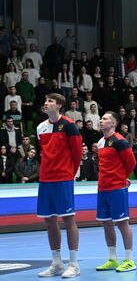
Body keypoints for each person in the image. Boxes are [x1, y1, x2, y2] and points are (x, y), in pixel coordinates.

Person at [36, 93, 82, 278]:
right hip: (45, 179)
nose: (46, 103)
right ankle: (56, 263)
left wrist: (69, 174)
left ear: (59, 105)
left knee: (68, 219)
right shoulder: (40, 127)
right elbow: (44, 153)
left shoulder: (69, 126)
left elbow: (77, 153)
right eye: (45, 100)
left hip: (63, 179)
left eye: (50, 101)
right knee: (49, 220)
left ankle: (74, 264)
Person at [95, 112, 137, 272]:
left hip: (116, 189)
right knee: (106, 223)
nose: (101, 120)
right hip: (102, 188)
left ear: (113, 124)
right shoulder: (100, 142)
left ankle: (129, 260)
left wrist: (122, 177)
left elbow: (131, 163)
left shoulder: (120, 141)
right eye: (101, 118)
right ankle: (113, 259)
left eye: (105, 119)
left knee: (122, 223)